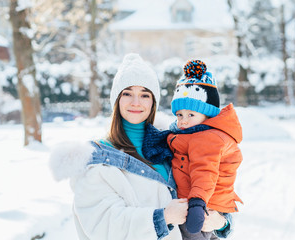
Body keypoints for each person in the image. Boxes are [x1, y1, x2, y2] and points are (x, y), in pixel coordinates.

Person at [49, 54, 232, 240]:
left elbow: (209, 192)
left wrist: (220, 223)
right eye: (127, 93)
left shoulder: (171, 148)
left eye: (145, 95)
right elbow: (103, 226)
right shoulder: (97, 161)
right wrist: (163, 217)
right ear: (116, 100)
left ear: (153, 102)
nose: (136, 102)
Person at [143, 60, 243, 240]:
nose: (183, 120)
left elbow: (205, 171)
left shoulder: (207, 138)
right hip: (198, 206)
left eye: (191, 115)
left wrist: (197, 203)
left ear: (207, 115)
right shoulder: (190, 133)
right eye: (179, 115)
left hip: (201, 207)